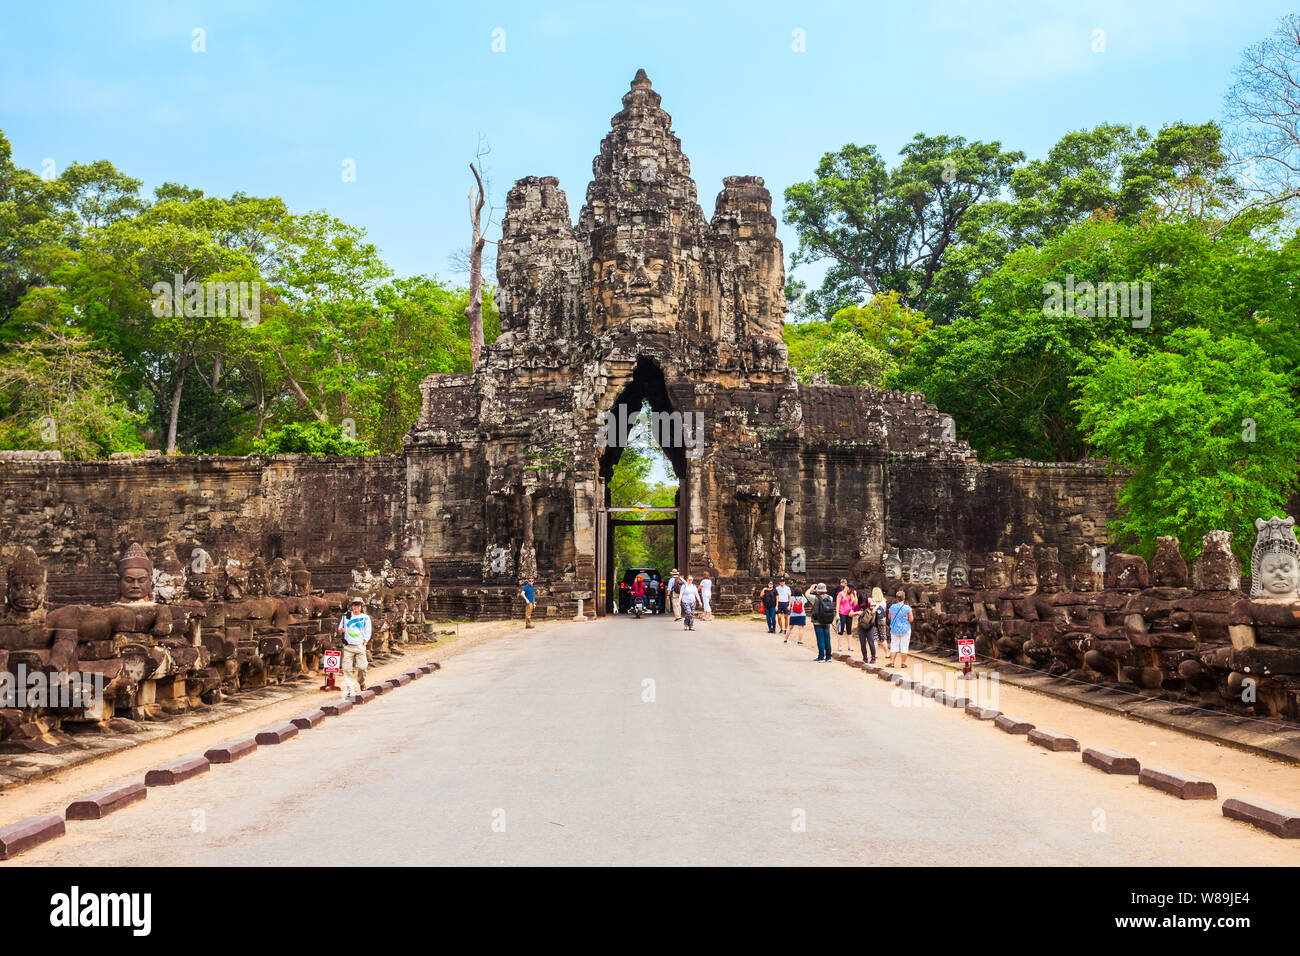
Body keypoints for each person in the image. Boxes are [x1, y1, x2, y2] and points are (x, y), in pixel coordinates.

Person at [336, 597, 372, 699]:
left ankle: (362, 681)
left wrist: (365, 641)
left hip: (360, 646)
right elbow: (340, 627)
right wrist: (341, 630)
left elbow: (368, 631)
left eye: (358, 605)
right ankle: (351, 689)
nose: (356, 607)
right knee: (347, 669)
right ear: (351, 606)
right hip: (348, 646)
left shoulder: (365, 618)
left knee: (362, 667)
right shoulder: (346, 616)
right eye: (354, 605)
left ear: (361, 606)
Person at [888, 589, 915, 669]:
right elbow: (911, 619)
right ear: (904, 598)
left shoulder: (892, 607)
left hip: (894, 629)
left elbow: (889, 617)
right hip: (905, 629)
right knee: (904, 646)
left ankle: (892, 662)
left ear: (897, 598)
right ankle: (903, 663)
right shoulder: (907, 608)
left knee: (894, 645)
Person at [811, 582, 837, 662]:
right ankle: (828, 657)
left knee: (820, 640)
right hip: (827, 621)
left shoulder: (814, 598)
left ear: (818, 590)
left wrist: (812, 588)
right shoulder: (830, 598)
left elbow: (806, 593)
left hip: (817, 621)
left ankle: (821, 657)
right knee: (827, 639)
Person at [855, 587, 879, 663]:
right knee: (862, 643)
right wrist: (857, 612)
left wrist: (874, 609)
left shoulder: (868, 604)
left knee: (871, 641)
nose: (863, 604)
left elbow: (878, 604)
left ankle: (873, 657)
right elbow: (850, 613)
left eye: (864, 603)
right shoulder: (857, 606)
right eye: (862, 603)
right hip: (861, 626)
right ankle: (865, 657)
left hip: (869, 625)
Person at [835, 579, 858, 653]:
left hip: (849, 613)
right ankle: (839, 645)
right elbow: (837, 604)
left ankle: (849, 645)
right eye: (850, 589)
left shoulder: (851, 595)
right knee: (840, 630)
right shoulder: (840, 594)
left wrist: (855, 595)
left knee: (849, 630)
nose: (851, 591)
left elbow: (855, 604)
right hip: (842, 613)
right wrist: (837, 614)